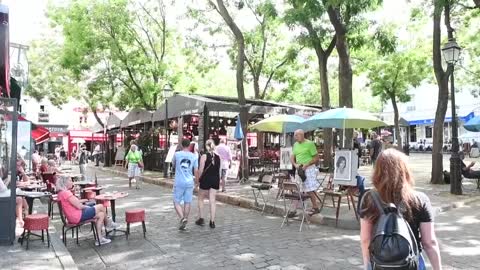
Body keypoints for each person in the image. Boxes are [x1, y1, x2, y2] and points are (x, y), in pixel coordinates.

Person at [359, 149, 442, 270]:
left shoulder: (369, 199)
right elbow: (429, 242)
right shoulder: (420, 199)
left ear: (377, 171)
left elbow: (365, 239)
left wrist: (368, 265)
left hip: (380, 263)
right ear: (404, 170)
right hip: (410, 262)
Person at [56, 175, 117, 246]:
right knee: (101, 206)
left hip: (73, 216)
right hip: (77, 216)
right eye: (70, 180)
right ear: (65, 182)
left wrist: (88, 206)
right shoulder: (66, 193)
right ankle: (108, 223)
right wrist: (88, 207)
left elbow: (74, 203)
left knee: (101, 214)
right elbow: (79, 206)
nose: (72, 182)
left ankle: (99, 239)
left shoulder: (61, 193)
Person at [290, 129, 320, 216]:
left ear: (302, 135)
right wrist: (295, 164)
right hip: (299, 168)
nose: (295, 138)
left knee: (309, 188)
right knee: (297, 188)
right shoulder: (295, 145)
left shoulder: (310, 144)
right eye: (295, 136)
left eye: (297, 135)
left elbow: (316, 158)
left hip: (309, 168)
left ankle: (315, 207)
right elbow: (292, 156)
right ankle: (294, 209)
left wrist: (307, 164)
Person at [172, 139, 199, 231]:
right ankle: (185, 220)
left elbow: (173, 164)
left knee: (176, 202)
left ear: (181, 145)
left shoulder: (177, 154)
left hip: (179, 181)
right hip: (189, 181)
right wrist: (197, 182)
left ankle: (182, 218)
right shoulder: (194, 156)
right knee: (187, 202)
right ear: (189, 146)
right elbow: (196, 170)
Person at [196, 139, 221, 229]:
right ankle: (212, 221)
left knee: (200, 198)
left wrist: (198, 179)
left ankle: (201, 218)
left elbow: (201, 170)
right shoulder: (218, 157)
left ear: (206, 146)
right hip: (215, 179)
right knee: (212, 200)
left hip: (206, 179)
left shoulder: (204, 156)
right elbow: (219, 170)